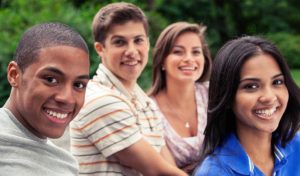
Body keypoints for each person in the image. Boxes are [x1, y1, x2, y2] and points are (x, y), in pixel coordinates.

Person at [70, 2, 187, 176]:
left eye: (138, 40)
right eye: (119, 42)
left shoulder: (146, 103)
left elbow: (168, 166)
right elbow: (158, 171)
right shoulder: (100, 100)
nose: (131, 51)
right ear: (100, 49)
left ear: (147, 44)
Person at [194, 36, 300, 176]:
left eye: (277, 82)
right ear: (226, 97)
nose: (269, 97)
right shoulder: (213, 172)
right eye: (251, 86)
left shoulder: (296, 146)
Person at [0, 22, 90, 175]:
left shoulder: (62, 162)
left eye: (78, 85)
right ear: (14, 74)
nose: (67, 98)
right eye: (50, 79)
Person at [148, 22, 212, 173]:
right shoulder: (147, 109)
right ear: (162, 60)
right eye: (178, 52)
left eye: (196, 52)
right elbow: (166, 171)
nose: (189, 59)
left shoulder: (213, 94)